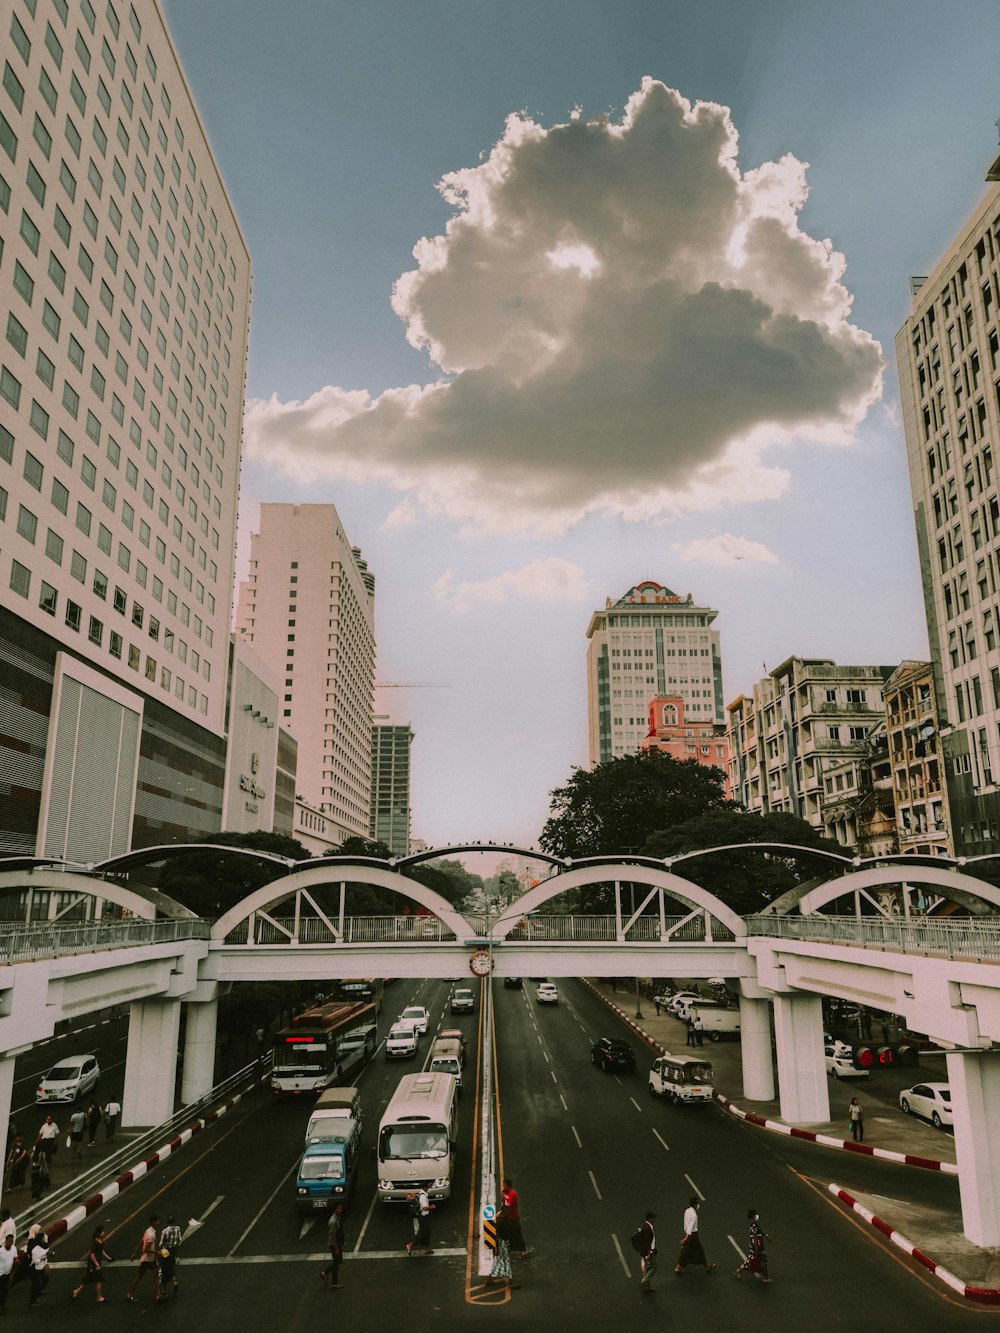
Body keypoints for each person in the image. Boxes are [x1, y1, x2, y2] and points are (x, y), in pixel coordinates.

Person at [72, 1225, 112, 1304]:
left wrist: (108, 1258)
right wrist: (97, 1264)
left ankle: (76, 1291)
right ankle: (99, 1297)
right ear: (99, 1233)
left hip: (96, 1263)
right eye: (103, 1231)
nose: (104, 1232)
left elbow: (101, 1251)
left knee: (88, 1279)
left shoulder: (100, 1240)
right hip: (93, 1264)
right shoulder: (95, 1242)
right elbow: (92, 1255)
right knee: (99, 1279)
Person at [675, 1197, 715, 1275]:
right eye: (697, 1204)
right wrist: (686, 1238)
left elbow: (686, 1225)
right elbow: (690, 1227)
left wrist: (686, 1234)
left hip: (688, 1233)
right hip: (692, 1235)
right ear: (695, 1205)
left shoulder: (687, 1211)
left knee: (687, 1250)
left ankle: (678, 1267)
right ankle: (678, 1267)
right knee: (696, 1250)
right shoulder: (694, 1216)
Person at [126, 1214, 160, 1302]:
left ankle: (158, 1294)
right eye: (157, 1221)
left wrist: (134, 1253)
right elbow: (146, 1249)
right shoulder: (152, 1235)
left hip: (150, 1259)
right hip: (147, 1259)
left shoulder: (148, 1231)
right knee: (140, 1276)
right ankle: (130, 1294)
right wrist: (157, 1252)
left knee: (154, 1275)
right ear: (153, 1222)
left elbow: (141, 1241)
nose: (158, 1222)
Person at [486, 1206, 521, 1290]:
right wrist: (496, 1247)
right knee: (505, 1262)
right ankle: (511, 1281)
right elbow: (496, 1233)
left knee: (497, 1261)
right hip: (502, 1243)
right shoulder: (501, 1220)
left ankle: (489, 1279)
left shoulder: (501, 1217)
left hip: (502, 1242)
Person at [735, 1208, 772, 1283]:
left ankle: (739, 1270)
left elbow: (760, 1231)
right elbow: (754, 1236)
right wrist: (757, 1247)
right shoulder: (754, 1224)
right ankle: (765, 1277)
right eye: (755, 1215)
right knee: (762, 1259)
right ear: (753, 1216)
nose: (756, 1216)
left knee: (754, 1259)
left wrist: (766, 1237)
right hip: (757, 1244)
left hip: (758, 1243)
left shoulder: (755, 1223)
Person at [501, 1178, 529, 1258]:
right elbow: (503, 1203)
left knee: (517, 1234)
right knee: (509, 1232)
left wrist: (502, 1213)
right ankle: (512, 1247)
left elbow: (508, 1206)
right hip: (507, 1216)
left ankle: (524, 1251)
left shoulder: (512, 1194)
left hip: (513, 1217)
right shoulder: (504, 1192)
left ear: (508, 1186)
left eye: (504, 1186)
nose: (503, 1187)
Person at [320, 1203, 344, 1289]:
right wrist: (337, 1247)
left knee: (337, 1261)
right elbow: (333, 1235)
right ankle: (328, 1276)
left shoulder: (337, 1217)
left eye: (341, 1208)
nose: (340, 1210)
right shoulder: (334, 1221)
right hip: (334, 1244)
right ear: (335, 1209)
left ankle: (329, 1277)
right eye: (338, 1208)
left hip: (336, 1243)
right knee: (337, 1261)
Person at [157, 1216, 182, 1299]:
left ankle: (164, 1290)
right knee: (171, 1268)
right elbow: (179, 1241)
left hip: (166, 1251)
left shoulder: (165, 1231)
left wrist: (160, 1252)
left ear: (167, 1222)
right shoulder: (178, 1229)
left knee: (164, 1270)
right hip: (173, 1251)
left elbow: (161, 1244)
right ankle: (174, 1282)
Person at [405, 1188, 434, 1256]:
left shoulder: (422, 1194)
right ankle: (410, 1245)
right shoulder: (422, 1196)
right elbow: (425, 1208)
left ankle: (426, 1248)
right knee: (422, 1233)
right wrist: (432, 1207)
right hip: (423, 1217)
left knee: (427, 1232)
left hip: (425, 1216)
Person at [27, 1229, 50, 1307]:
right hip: (34, 1268)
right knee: (36, 1284)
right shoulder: (35, 1249)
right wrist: (42, 1260)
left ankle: (38, 1292)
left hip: (41, 1267)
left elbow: (45, 1254)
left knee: (46, 1280)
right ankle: (32, 1301)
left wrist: (45, 1263)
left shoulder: (43, 1247)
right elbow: (35, 1260)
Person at [637, 1210, 657, 1293]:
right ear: (649, 1219)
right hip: (649, 1252)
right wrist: (649, 1253)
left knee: (648, 1268)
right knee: (654, 1267)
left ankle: (647, 1287)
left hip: (647, 1251)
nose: (654, 1220)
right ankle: (644, 1281)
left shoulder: (646, 1226)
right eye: (653, 1218)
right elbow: (647, 1242)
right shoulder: (647, 1228)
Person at [0, 1232, 16, 1314]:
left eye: (12, 1241)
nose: (11, 1243)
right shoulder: (1, 1251)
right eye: (9, 1241)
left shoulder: (13, 1248)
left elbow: (15, 1258)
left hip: (7, 1273)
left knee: (4, 1291)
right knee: (2, 1290)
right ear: (5, 1241)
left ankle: (1, 1306)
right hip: (0, 1274)